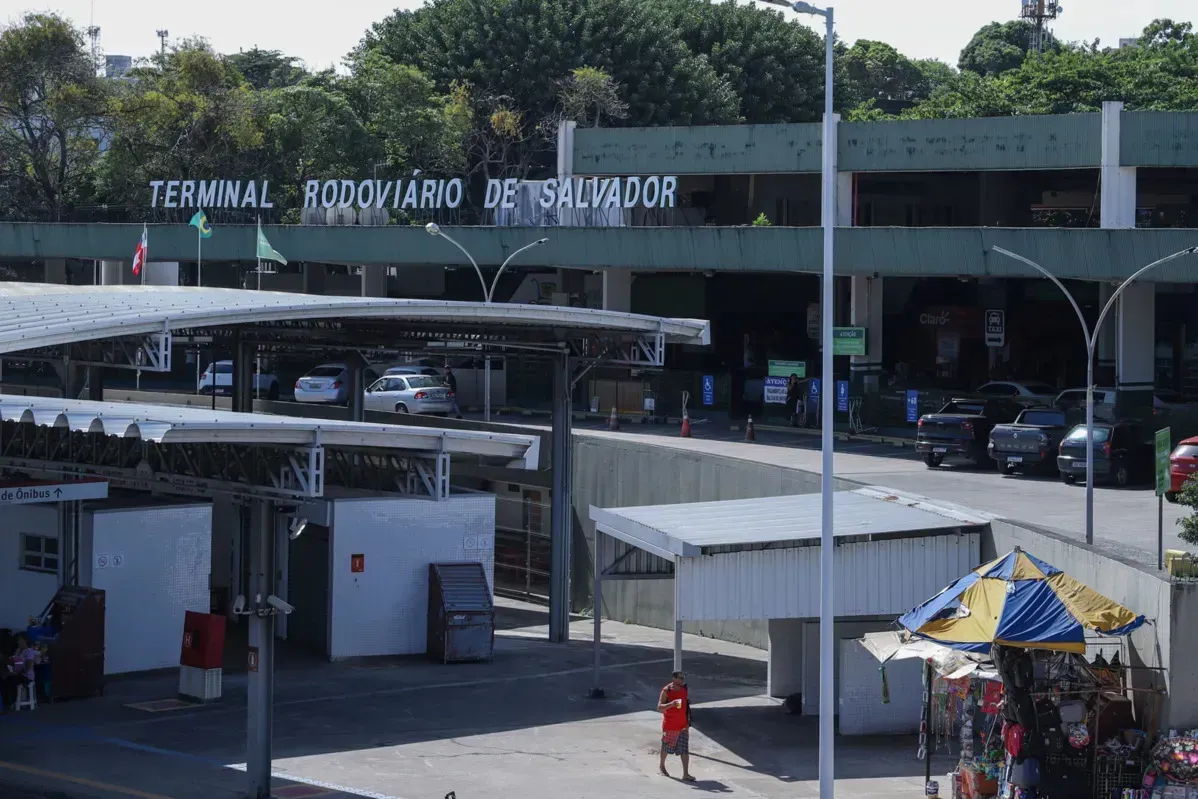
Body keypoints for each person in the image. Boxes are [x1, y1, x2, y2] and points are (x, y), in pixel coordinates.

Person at [657, 670, 694, 781]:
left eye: (683, 678)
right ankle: (662, 766)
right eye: (680, 678)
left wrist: (687, 723)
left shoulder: (684, 689)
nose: (683, 680)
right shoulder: (666, 690)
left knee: (684, 749)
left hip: (682, 725)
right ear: (674, 679)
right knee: (666, 747)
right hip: (670, 725)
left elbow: (686, 707)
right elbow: (659, 707)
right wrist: (671, 704)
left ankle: (686, 774)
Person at [1, 637, 36, 712]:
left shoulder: (29, 651)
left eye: (19, 640)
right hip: (17, 672)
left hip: (26, 675)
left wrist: (17, 673)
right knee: (4, 678)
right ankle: (6, 702)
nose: (18, 642)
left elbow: (28, 666)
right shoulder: (17, 651)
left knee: (10, 680)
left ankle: (11, 701)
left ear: (25, 640)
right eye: (18, 640)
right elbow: (14, 662)